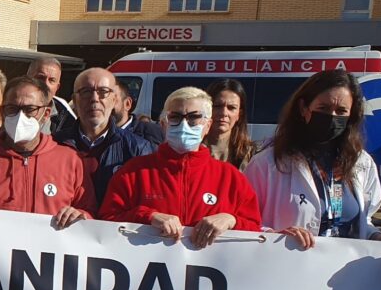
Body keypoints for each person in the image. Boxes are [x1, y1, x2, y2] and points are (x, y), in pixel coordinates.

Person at [245, 69, 381, 257]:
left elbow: (363, 221)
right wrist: (274, 236)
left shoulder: (361, 162)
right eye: (323, 108)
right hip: (287, 268)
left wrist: (380, 238)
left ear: (351, 116)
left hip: (346, 277)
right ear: (303, 108)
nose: (332, 116)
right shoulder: (267, 163)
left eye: (341, 111)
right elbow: (244, 221)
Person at [101, 87, 261, 246]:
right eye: (175, 117)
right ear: (163, 124)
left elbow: (256, 233)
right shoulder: (133, 172)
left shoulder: (231, 178)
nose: (184, 124)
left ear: (208, 125)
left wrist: (231, 220)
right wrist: (147, 216)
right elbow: (104, 222)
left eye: (194, 117)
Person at [0, 76, 96, 224]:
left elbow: (89, 212)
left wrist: (81, 216)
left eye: (30, 109)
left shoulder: (70, 160)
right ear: (2, 111)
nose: (20, 116)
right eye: (12, 109)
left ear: (46, 114)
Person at [54, 67, 155, 204]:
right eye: (86, 92)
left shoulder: (138, 149)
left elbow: (147, 202)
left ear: (114, 100)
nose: (94, 99)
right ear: (75, 101)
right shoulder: (54, 144)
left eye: (103, 92)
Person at [204, 79, 255, 170]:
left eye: (231, 108)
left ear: (239, 114)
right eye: (217, 106)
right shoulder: (191, 149)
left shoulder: (251, 155)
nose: (223, 113)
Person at [27, 56, 75, 135]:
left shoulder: (66, 118)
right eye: (40, 77)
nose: (45, 84)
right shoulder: (8, 108)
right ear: (27, 79)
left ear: (57, 87)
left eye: (52, 80)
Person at [113, 80, 164, 145]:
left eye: (112, 100)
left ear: (127, 104)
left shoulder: (152, 133)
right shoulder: (98, 135)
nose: (105, 106)